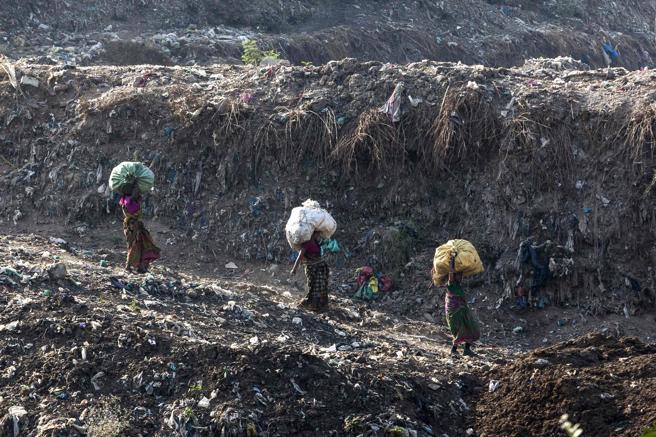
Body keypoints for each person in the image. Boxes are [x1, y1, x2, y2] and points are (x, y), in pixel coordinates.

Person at [119, 184, 160, 273]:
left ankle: (141, 266)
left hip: (137, 226)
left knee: (142, 246)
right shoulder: (127, 200)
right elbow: (132, 209)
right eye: (136, 191)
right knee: (133, 246)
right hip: (132, 227)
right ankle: (128, 266)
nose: (138, 193)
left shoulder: (130, 199)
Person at [445, 252, 480, 356]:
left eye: (461, 276)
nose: (461, 277)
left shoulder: (459, 286)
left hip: (463, 310)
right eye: (459, 276)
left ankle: (467, 349)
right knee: (460, 329)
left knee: (471, 327)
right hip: (455, 312)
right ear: (454, 276)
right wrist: (451, 261)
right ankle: (453, 350)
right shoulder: (451, 284)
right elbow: (451, 273)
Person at [290, 231, 329, 312]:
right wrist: (294, 269)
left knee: (321, 285)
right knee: (315, 286)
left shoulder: (317, 243)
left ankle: (320, 305)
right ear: (312, 234)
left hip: (320, 267)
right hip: (312, 268)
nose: (318, 236)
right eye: (317, 234)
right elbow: (300, 256)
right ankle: (313, 305)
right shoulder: (307, 243)